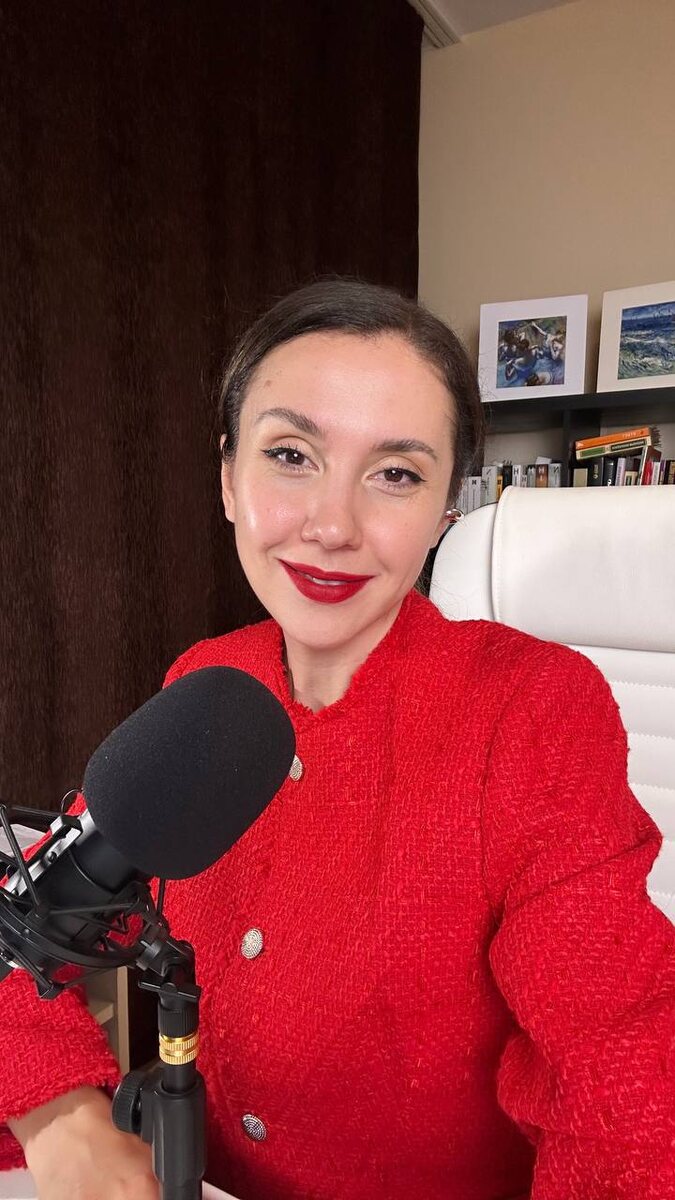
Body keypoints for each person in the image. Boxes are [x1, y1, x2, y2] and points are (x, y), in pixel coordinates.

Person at [0, 279, 673, 1200]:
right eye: (290, 455)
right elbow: (36, 910)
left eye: (395, 474)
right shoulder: (207, 682)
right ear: (227, 478)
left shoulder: (530, 710)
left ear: (445, 510)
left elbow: (624, 1067)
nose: (331, 526)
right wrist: (61, 1116)